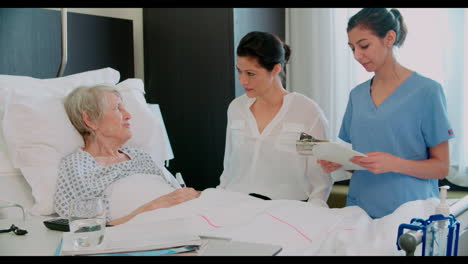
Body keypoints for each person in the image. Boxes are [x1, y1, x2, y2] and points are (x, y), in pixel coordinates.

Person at [318, 8, 454, 218]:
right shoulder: (357, 95)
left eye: (364, 46)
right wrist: (343, 162)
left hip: (409, 211)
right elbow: (365, 163)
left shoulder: (427, 91)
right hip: (359, 210)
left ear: (389, 38)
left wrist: (394, 163)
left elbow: (441, 167)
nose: (357, 55)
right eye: (352, 48)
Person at [53, 85, 200, 226]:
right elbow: (89, 228)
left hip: (192, 218)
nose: (128, 115)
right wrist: (155, 206)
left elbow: (174, 194)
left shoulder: (140, 156)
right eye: (117, 108)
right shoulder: (78, 166)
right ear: (90, 119)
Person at [217, 31, 332, 202]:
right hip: (236, 206)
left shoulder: (305, 113)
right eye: (239, 71)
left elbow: (319, 182)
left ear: (276, 69)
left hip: (287, 212)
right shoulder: (236, 108)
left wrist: (312, 215)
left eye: (251, 73)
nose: (243, 81)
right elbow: (228, 169)